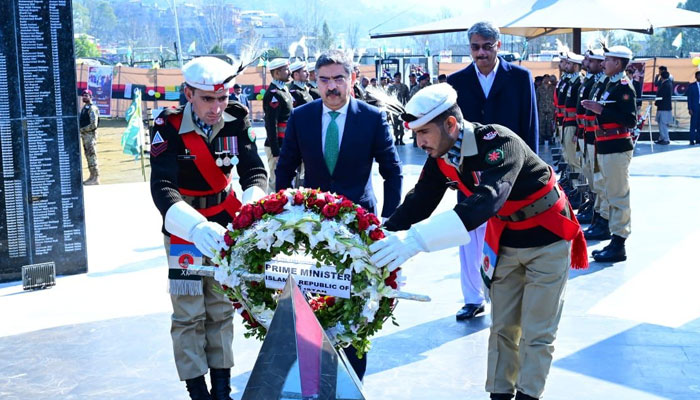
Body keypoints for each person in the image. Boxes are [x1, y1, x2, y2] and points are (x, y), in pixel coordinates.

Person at [370, 83, 587, 400]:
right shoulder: (443, 156)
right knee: (502, 329)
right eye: (415, 134)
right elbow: (420, 201)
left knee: (538, 332)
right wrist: (386, 233)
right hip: (508, 241)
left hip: (548, 237)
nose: (418, 142)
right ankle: (499, 394)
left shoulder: (498, 142)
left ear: (451, 125)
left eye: (424, 132)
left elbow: (487, 201)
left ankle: (528, 395)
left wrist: (416, 241)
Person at [275, 50, 403, 380]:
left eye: (338, 79)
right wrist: (285, 214)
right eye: (324, 80)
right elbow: (285, 169)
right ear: (315, 82)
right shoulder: (301, 117)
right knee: (312, 305)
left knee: (355, 308)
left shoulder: (372, 118)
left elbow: (393, 171)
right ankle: (315, 378)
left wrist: (390, 224)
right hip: (311, 230)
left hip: (360, 230)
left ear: (353, 79)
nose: (332, 87)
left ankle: (351, 381)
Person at [150, 56, 268, 400]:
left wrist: (252, 202)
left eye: (223, 98)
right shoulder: (167, 127)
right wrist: (195, 226)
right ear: (189, 93)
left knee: (220, 308)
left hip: (224, 222)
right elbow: (163, 186)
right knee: (188, 313)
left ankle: (221, 389)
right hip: (185, 227)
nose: (217, 108)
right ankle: (197, 391)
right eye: (207, 99)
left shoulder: (236, 119)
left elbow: (253, 169)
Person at [445, 21, 539, 321]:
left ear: (498, 45)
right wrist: (450, 167)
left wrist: (532, 170)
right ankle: (472, 298)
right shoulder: (456, 82)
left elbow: (530, 125)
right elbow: (448, 130)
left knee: (508, 233)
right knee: (468, 234)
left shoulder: (520, 78)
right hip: (469, 170)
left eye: (487, 46)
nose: (481, 53)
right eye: (475, 47)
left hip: (510, 170)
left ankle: (505, 296)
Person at [581, 46, 637, 263]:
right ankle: (612, 235)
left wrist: (601, 110)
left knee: (618, 195)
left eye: (608, 60)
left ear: (619, 63)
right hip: (604, 145)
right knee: (608, 191)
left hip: (616, 146)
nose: (603, 63)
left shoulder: (624, 87)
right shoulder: (608, 83)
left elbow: (630, 119)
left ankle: (619, 242)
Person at [262, 58, 293, 192]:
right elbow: (271, 124)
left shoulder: (283, 90)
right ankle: (271, 209)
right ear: (276, 73)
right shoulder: (273, 94)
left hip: (286, 143)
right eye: (286, 69)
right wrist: (275, 151)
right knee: (276, 181)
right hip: (278, 145)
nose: (289, 72)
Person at [79, 89, 100, 185]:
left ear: (91, 97)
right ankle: (91, 176)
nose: (84, 97)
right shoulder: (85, 108)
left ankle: (95, 178)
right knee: (88, 157)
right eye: (83, 95)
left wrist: (82, 130)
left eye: (86, 95)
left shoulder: (92, 108)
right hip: (85, 137)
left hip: (90, 137)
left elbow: (93, 125)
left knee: (92, 157)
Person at [388, 72, 410, 145]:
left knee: (401, 125)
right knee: (395, 125)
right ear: (394, 78)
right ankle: (396, 138)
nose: (398, 78)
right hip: (394, 109)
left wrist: (408, 107)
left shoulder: (404, 87)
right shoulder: (391, 87)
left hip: (402, 109)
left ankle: (401, 138)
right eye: (396, 77)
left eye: (399, 77)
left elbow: (407, 97)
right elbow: (388, 98)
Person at [654, 70, 672, 145]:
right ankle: (661, 138)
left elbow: (662, 95)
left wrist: (657, 100)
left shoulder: (666, 84)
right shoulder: (666, 83)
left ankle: (666, 139)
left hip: (664, 107)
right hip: (662, 107)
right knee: (661, 123)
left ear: (661, 77)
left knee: (663, 124)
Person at [535, 74, 555, 144]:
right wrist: (536, 109)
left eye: (548, 78)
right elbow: (537, 99)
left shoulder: (552, 88)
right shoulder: (539, 88)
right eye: (545, 78)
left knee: (550, 124)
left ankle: (550, 138)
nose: (546, 80)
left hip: (550, 108)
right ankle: (541, 139)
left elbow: (555, 98)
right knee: (541, 124)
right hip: (541, 109)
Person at [687, 70, 700, 145]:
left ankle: (698, 139)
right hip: (695, 107)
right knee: (693, 124)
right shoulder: (692, 86)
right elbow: (689, 98)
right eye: (698, 75)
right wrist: (690, 108)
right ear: (696, 77)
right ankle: (692, 139)